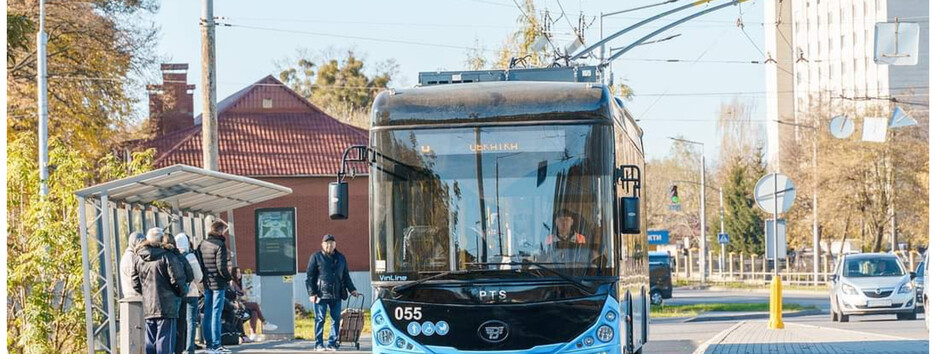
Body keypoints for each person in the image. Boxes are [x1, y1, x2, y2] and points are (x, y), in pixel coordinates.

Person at [132, 228, 186, 354]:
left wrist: (145, 293)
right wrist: (181, 293)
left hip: (149, 306)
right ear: (162, 240)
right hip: (167, 305)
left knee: (150, 341)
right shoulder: (167, 256)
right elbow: (177, 279)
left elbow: (135, 282)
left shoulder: (139, 258)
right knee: (165, 341)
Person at [305, 234, 359, 351]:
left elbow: (346, 276)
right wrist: (311, 293)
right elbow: (310, 277)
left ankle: (332, 343)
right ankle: (318, 344)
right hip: (320, 294)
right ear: (322, 245)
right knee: (320, 319)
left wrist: (352, 289)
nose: (329, 245)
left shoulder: (341, 258)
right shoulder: (316, 257)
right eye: (327, 243)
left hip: (337, 293)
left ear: (335, 244)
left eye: (331, 243)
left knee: (336, 319)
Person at [198, 220, 233, 354]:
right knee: (216, 313)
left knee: (207, 314)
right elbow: (221, 267)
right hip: (218, 284)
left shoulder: (202, 244)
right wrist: (229, 278)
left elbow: (200, 264)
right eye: (224, 231)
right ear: (220, 230)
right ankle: (216, 344)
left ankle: (209, 344)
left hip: (206, 283)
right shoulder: (220, 245)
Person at [229, 267, 277, 342]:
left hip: (241, 304)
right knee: (255, 305)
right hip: (237, 306)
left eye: (239, 272)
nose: (239, 274)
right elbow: (232, 295)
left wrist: (243, 294)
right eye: (237, 272)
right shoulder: (232, 282)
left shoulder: (238, 283)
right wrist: (242, 294)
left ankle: (253, 334)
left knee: (254, 312)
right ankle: (264, 322)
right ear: (233, 274)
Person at [174, 233, 203, 354]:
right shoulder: (190, 256)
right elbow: (199, 276)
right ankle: (189, 348)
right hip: (192, 292)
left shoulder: (172, 256)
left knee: (179, 321)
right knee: (191, 321)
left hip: (178, 293)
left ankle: (179, 347)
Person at [120, 231, 146, 298]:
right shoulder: (131, 257)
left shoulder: (128, 256)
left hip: (131, 294)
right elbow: (134, 277)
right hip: (134, 295)